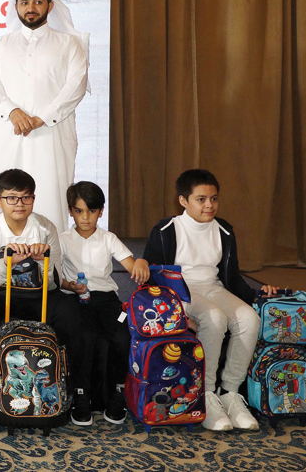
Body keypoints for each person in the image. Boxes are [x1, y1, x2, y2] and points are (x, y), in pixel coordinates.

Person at [144, 169, 278, 432]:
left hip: (213, 287)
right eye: (201, 199)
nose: (209, 205)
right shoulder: (165, 229)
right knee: (214, 317)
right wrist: (179, 314)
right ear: (183, 201)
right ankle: (204, 395)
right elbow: (152, 277)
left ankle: (229, 393)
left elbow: (233, 277)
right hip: (181, 291)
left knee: (250, 318)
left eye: (214, 199)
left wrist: (258, 294)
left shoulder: (224, 230)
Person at [0, 168, 94, 426]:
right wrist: (8, 263)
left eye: (26, 198)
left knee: (71, 311)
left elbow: (53, 282)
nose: (19, 204)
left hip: (37, 295)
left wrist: (40, 261)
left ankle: (77, 390)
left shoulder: (45, 227)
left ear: (33, 199)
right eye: (11, 198)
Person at [0, 0, 89, 234]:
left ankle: (51, 270)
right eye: (24, 2)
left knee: (50, 194)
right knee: (1, 195)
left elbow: (76, 86)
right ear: (15, 6)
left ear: (50, 6)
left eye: (38, 1)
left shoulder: (68, 44)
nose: (31, 8)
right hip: (7, 133)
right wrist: (12, 111)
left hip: (51, 135)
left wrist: (43, 118)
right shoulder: (2, 45)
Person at [56, 181, 150, 425]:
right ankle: (80, 395)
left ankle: (119, 392)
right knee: (85, 335)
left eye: (92, 211)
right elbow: (55, 277)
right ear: (70, 211)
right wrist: (69, 286)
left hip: (108, 300)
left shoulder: (109, 238)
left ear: (101, 211)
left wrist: (141, 263)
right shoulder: (62, 240)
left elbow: (131, 265)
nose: (85, 217)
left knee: (122, 333)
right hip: (75, 297)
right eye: (79, 211)